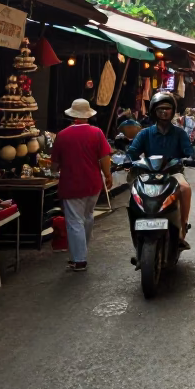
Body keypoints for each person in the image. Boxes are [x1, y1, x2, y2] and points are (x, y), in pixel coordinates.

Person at [50, 99, 113, 273]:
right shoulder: (97, 133)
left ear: (72, 115)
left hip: (72, 184)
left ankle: (79, 260)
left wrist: (55, 169)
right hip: (93, 183)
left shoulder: (62, 135)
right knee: (88, 216)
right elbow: (104, 158)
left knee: (75, 221)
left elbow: (54, 165)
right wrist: (108, 175)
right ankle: (80, 253)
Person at [127, 92, 195, 247]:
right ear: (153, 112)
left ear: (173, 111)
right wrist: (129, 161)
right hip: (148, 174)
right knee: (135, 194)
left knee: (185, 188)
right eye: (160, 109)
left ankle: (182, 229)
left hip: (173, 173)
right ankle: (137, 230)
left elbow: (188, 151)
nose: (164, 112)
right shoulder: (145, 133)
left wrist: (188, 158)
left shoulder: (179, 133)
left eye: (167, 108)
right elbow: (132, 152)